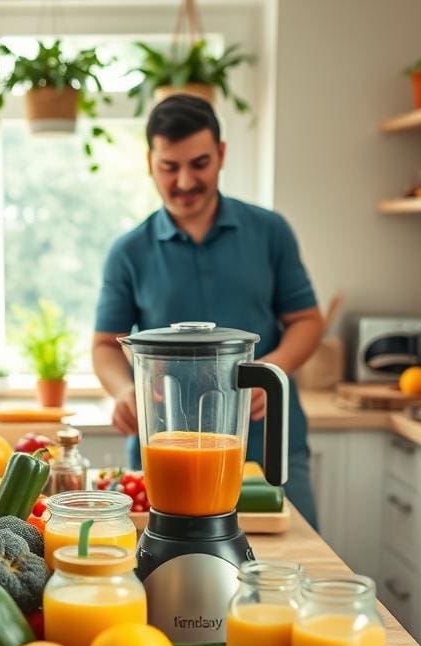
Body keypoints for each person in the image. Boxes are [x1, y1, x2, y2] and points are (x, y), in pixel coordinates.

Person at [92, 95, 324, 528]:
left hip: (267, 443)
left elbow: (307, 322)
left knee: (296, 556)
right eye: (169, 166)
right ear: (149, 162)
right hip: (164, 450)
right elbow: (106, 345)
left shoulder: (270, 232)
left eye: (199, 164)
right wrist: (124, 390)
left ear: (221, 154)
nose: (184, 181)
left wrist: (269, 371)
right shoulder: (129, 251)